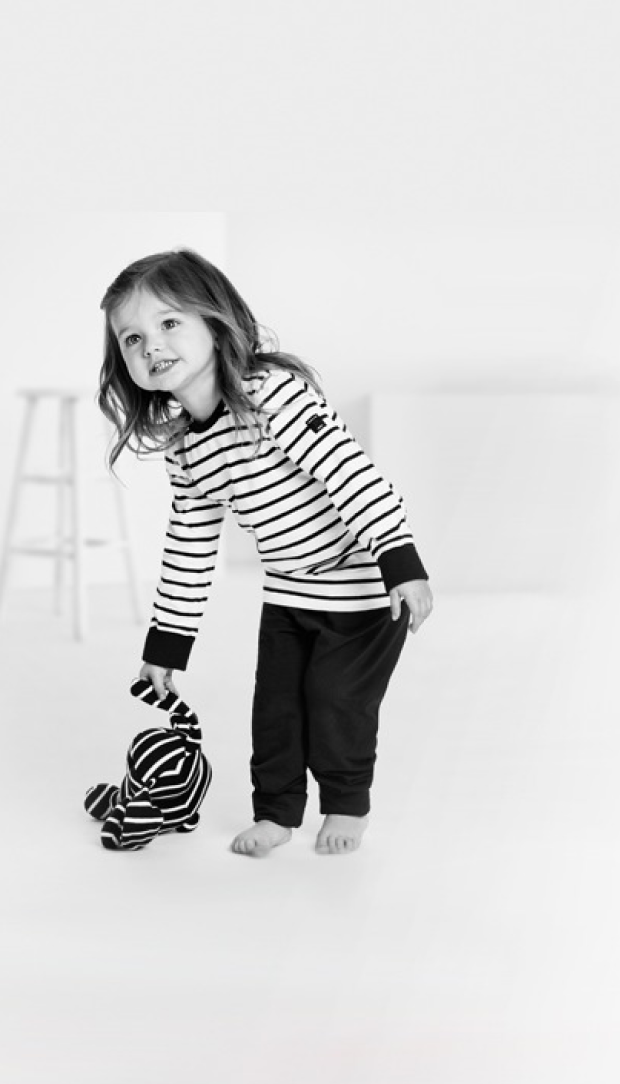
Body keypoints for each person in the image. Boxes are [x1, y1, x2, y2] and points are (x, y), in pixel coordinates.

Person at [96, 248, 434, 857]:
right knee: (275, 712)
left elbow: (350, 472)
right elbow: (190, 546)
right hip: (288, 593)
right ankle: (277, 813)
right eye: (132, 338)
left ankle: (346, 805)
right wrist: (166, 647)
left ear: (215, 320)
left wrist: (400, 561)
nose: (152, 345)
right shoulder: (184, 448)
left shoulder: (271, 394)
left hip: (361, 588)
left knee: (335, 704)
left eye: (170, 323)